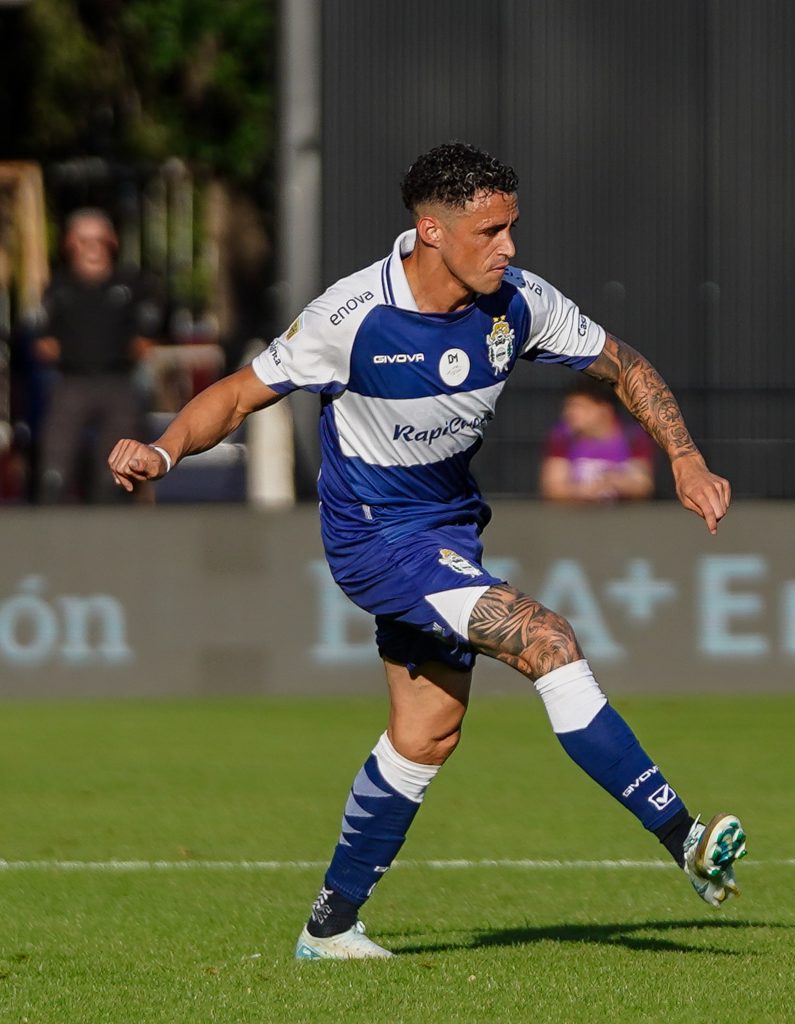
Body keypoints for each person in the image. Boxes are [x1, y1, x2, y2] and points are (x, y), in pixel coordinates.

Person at [107, 142, 745, 959]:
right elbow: (237, 395)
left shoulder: (519, 302)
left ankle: (330, 928)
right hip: (376, 537)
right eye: (491, 232)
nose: (509, 246)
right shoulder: (352, 316)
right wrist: (164, 452)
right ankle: (683, 837)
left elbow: (625, 366)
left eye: (512, 227)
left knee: (427, 731)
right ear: (432, 231)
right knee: (547, 639)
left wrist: (685, 457)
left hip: (447, 529)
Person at [34, 209, 163, 503]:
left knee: (115, 474)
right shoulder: (58, 287)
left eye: (99, 240)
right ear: (70, 244)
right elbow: (44, 342)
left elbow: (147, 335)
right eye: (84, 240)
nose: (92, 248)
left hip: (118, 380)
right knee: (54, 467)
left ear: (112, 242)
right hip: (72, 381)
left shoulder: (130, 284)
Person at [540, 377, 654, 503]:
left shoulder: (632, 437)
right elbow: (553, 488)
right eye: (568, 407)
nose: (569, 413)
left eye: (578, 407)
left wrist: (616, 482)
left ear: (604, 409)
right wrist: (583, 491)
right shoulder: (563, 438)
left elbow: (643, 485)